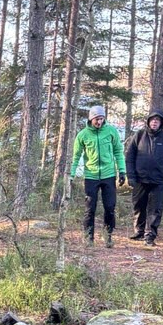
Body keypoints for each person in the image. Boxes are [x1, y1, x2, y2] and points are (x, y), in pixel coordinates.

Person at [69, 104, 126, 248]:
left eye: (101, 119)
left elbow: (118, 152)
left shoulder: (111, 131)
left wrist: (122, 171)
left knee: (110, 207)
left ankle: (108, 236)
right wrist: (71, 174)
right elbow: (76, 157)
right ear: (91, 119)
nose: (99, 122)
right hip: (91, 176)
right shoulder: (83, 135)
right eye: (96, 119)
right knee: (90, 209)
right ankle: (88, 238)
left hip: (108, 175)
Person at [125, 108, 163, 248]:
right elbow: (129, 157)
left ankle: (150, 236)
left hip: (158, 180)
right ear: (148, 122)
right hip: (140, 179)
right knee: (139, 206)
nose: (155, 122)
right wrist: (131, 175)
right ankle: (139, 231)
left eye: (158, 120)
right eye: (153, 120)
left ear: (161, 123)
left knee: (155, 209)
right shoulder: (139, 135)